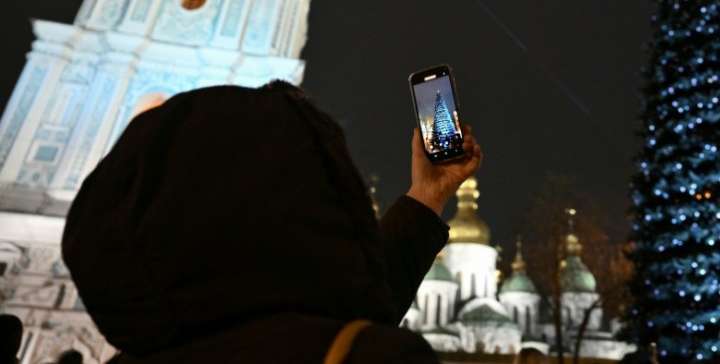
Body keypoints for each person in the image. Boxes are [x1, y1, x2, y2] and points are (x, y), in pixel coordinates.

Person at [61, 80, 482, 362]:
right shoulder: (365, 354)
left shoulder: (139, 350)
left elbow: (346, 300)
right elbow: (348, 304)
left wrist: (427, 196)